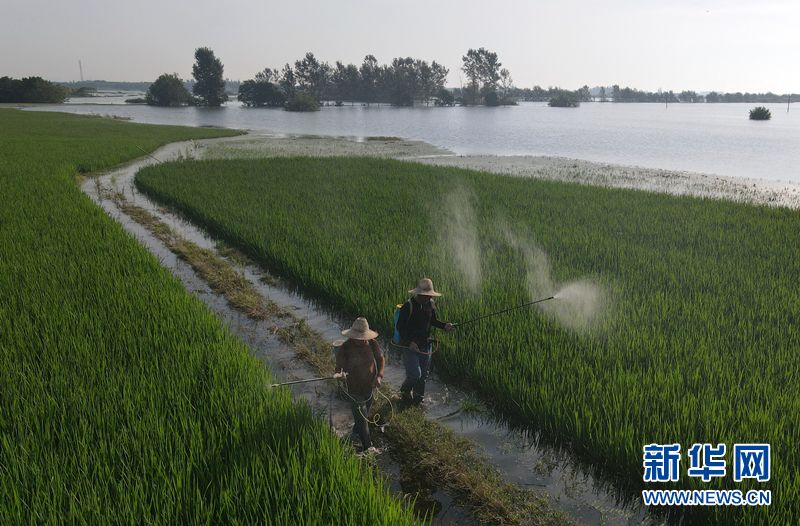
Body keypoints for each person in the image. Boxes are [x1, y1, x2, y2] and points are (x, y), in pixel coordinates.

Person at [396, 278, 454, 404]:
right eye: (426, 296)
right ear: (419, 294)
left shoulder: (430, 304)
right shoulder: (408, 306)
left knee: (423, 377)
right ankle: (405, 390)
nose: (428, 298)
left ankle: (418, 400)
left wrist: (445, 326)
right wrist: (410, 342)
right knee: (415, 375)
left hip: (426, 344)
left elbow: (433, 321)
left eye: (430, 295)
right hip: (410, 345)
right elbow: (400, 326)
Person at [334, 317, 385, 451]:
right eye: (357, 337)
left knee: (364, 415)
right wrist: (341, 375)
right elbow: (338, 368)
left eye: (362, 337)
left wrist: (379, 376)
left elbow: (380, 359)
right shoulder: (345, 348)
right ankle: (368, 448)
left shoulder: (372, 344)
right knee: (363, 418)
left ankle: (356, 430)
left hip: (370, 387)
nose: (360, 340)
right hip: (354, 389)